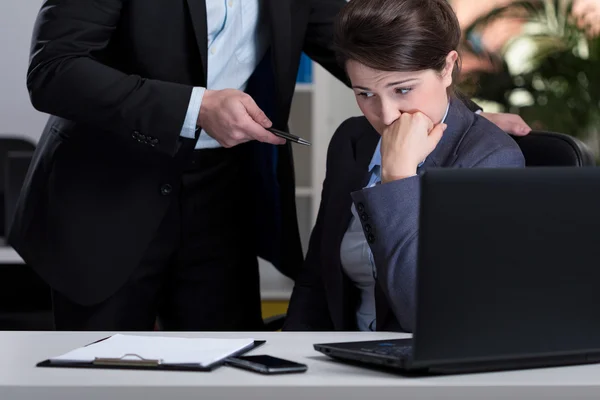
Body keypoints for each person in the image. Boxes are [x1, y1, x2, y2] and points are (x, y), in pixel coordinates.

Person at [10, 0, 528, 332]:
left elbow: (372, 51)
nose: (379, 110)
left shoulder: (473, 151)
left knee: (226, 365)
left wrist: (465, 119)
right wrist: (195, 107)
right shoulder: (352, 146)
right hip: (108, 191)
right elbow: (53, 69)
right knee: (100, 378)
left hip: (224, 189)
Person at [283, 0, 526, 333]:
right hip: (339, 360)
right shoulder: (353, 141)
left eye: (403, 89)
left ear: (446, 67)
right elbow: (317, 283)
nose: (385, 116)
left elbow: (433, 318)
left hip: (423, 369)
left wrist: (398, 180)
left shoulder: (489, 160)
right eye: (364, 93)